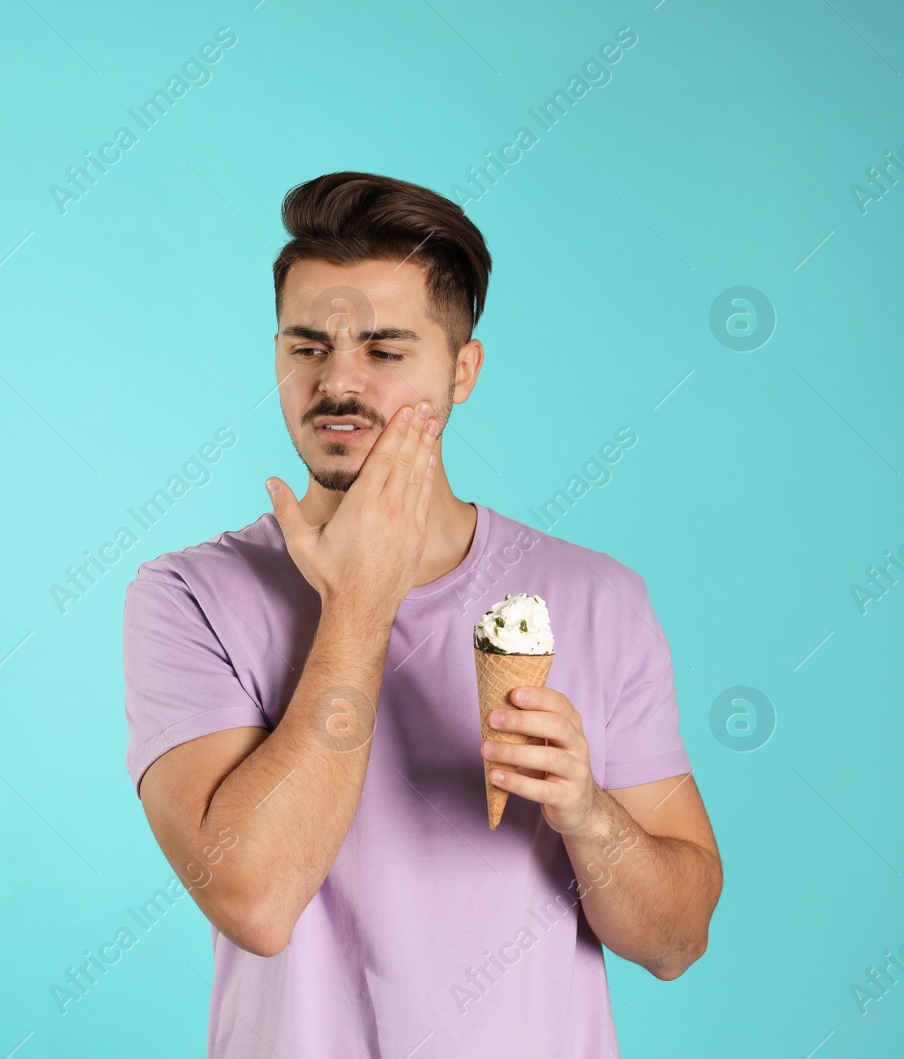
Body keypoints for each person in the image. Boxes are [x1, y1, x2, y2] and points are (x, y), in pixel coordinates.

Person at [121, 171, 722, 1057]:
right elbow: (254, 898)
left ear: (463, 370)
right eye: (307, 346)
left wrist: (589, 813)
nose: (337, 383)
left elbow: (676, 942)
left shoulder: (599, 598)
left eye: (386, 350)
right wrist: (361, 600)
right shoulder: (190, 598)